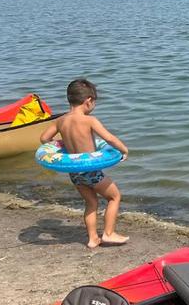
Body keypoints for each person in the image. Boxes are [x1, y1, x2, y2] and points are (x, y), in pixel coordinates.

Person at [39, 78, 130, 249]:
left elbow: (44, 139)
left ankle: (92, 238)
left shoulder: (61, 121)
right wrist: (124, 150)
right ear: (88, 101)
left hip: (75, 173)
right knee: (114, 197)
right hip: (91, 171)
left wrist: (63, 143)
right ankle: (109, 234)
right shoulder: (90, 120)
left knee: (91, 203)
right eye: (94, 102)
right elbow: (109, 138)